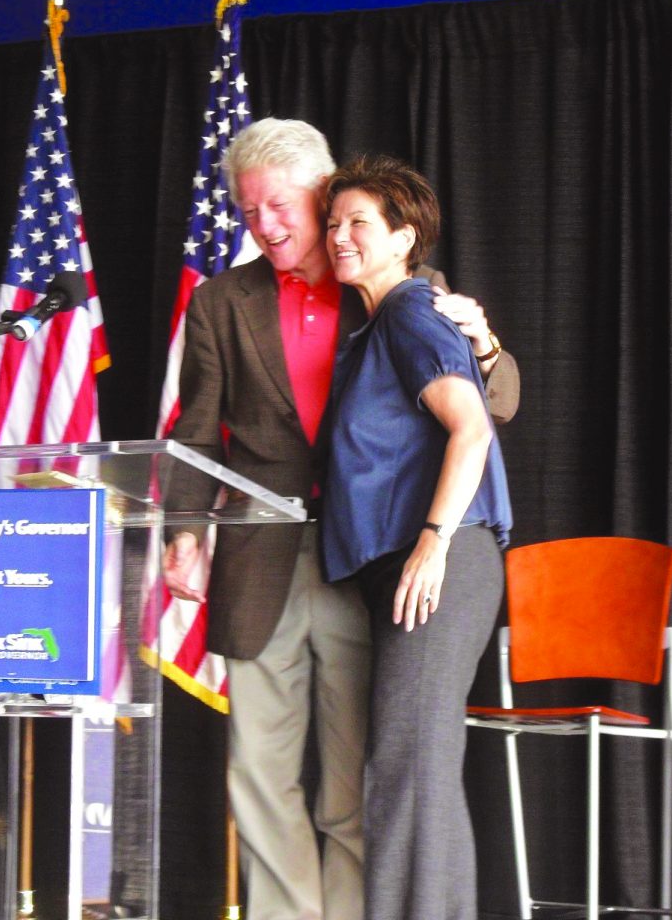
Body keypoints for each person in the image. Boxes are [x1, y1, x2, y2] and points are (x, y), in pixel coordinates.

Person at [162, 119, 518, 920]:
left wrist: (488, 345)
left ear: (325, 199)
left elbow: (490, 406)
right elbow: (196, 431)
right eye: (248, 210)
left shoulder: (394, 285)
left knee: (367, 765)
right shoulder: (220, 302)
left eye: (280, 206)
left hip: (371, 559)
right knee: (261, 770)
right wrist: (185, 532)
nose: (264, 225)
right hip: (259, 553)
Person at [321, 153, 513, 920]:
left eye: (358, 222)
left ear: (404, 238)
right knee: (416, 765)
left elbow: (472, 427)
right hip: (414, 564)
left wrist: (433, 541)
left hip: (441, 558)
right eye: (332, 222)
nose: (339, 236)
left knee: (409, 764)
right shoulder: (382, 324)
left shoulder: (410, 309)